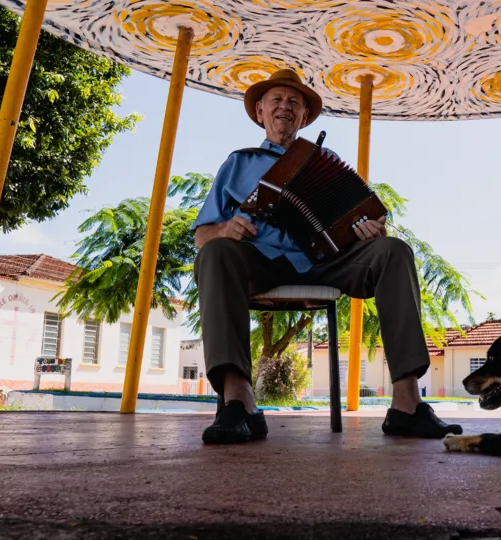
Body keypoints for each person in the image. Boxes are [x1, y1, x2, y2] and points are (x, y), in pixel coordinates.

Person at [191, 69, 463, 444]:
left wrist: (368, 229)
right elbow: (202, 234)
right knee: (216, 252)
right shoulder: (237, 163)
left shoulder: (324, 160)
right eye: (277, 100)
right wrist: (223, 230)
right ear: (259, 111)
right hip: (261, 260)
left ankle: (407, 405)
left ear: (304, 117)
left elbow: (358, 217)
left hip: (326, 261)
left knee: (393, 250)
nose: (285, 108)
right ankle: (240, 402)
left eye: (294, 103)